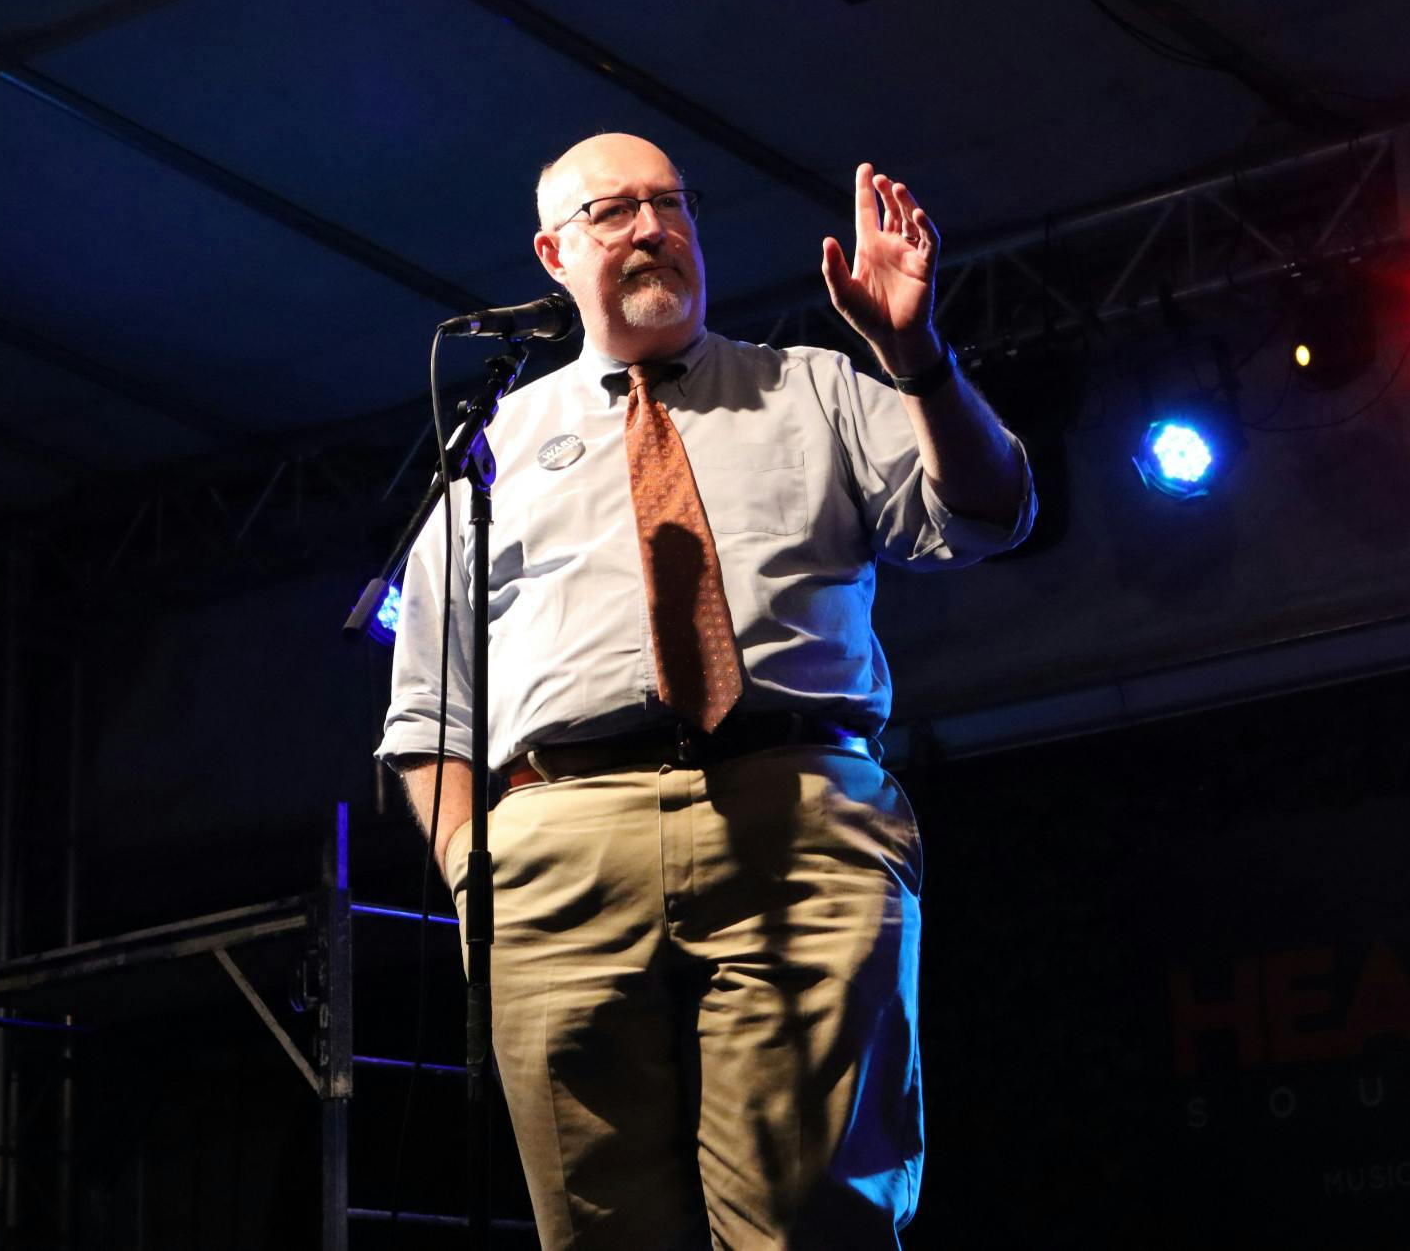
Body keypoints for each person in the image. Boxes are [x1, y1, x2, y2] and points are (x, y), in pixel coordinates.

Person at [376, 132, 1033, 1249]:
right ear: (551, 252)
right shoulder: (492, 443)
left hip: (794, 816)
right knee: (600, 1229)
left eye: (669, 204)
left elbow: (986, 512)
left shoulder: (812, 386)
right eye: (613, 212)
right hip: (555, 851)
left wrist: (915, 354)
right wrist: (471, 872)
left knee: (810, 1219)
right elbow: (428, 710)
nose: (650, 228)